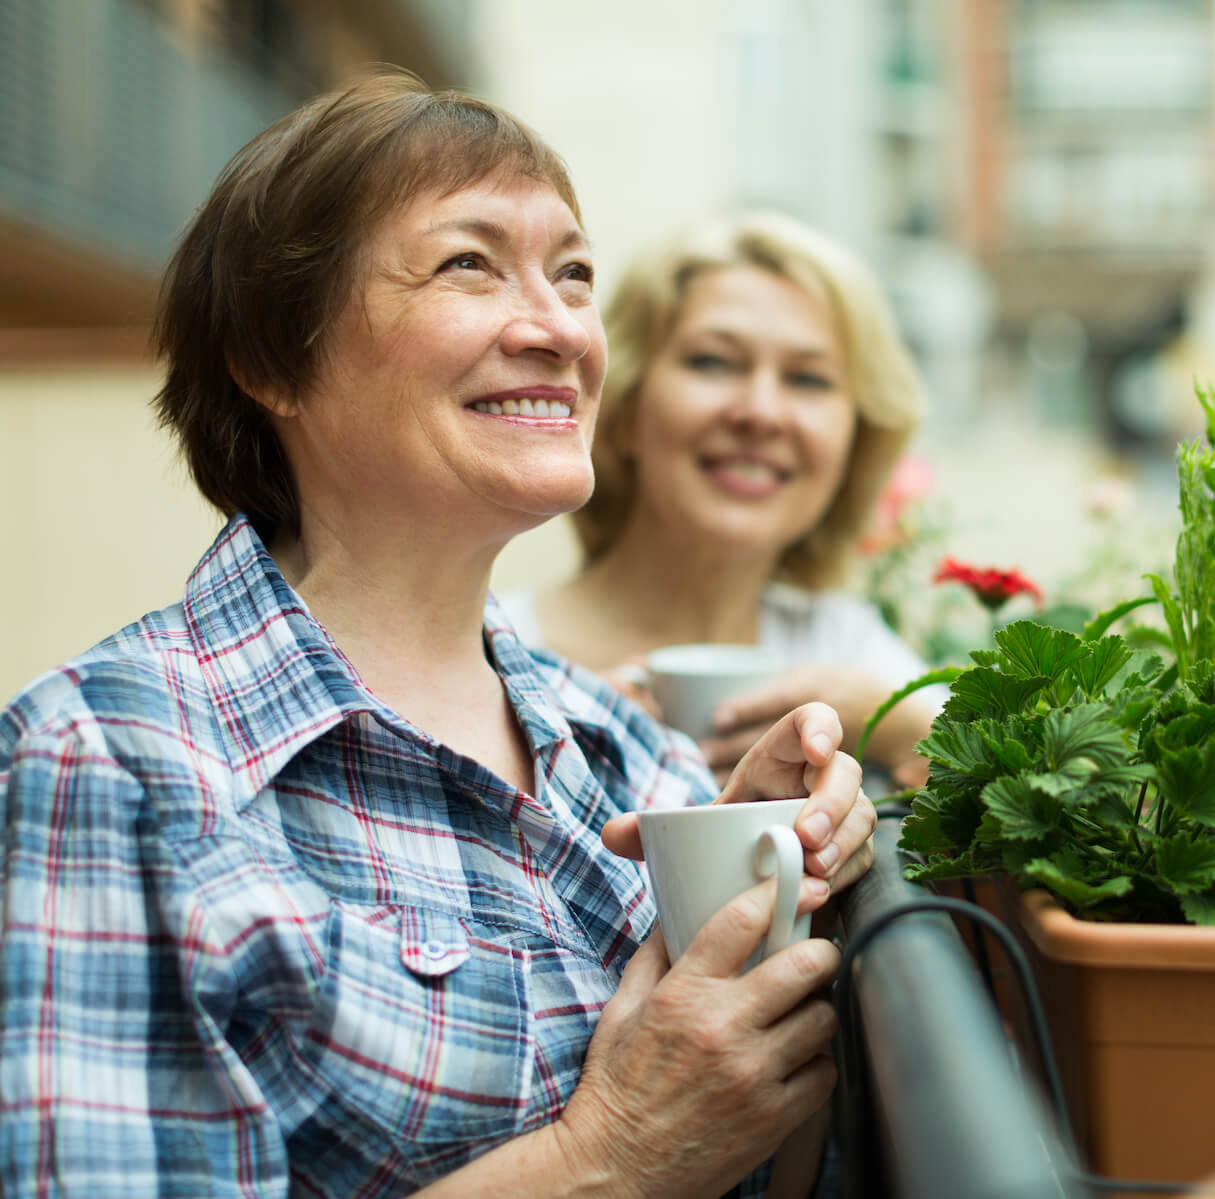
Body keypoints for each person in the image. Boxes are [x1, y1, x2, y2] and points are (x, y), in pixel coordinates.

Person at [0, 72, 875, 1199]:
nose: (558, 327)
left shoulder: (627, 749)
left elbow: (775, 1156)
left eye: (573, 276)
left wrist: (763, 903)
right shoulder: (108, 761)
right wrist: (607, 1156)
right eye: (469, 264)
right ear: (272, 357)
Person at [520, 212, 943, 792]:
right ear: (620, 411)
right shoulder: (497, 646)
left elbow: (1053, 806)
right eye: (713, 362)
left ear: (853, 442)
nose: (761, 412)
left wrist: (890, 721)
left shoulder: (845, 648)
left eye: (809, 379)